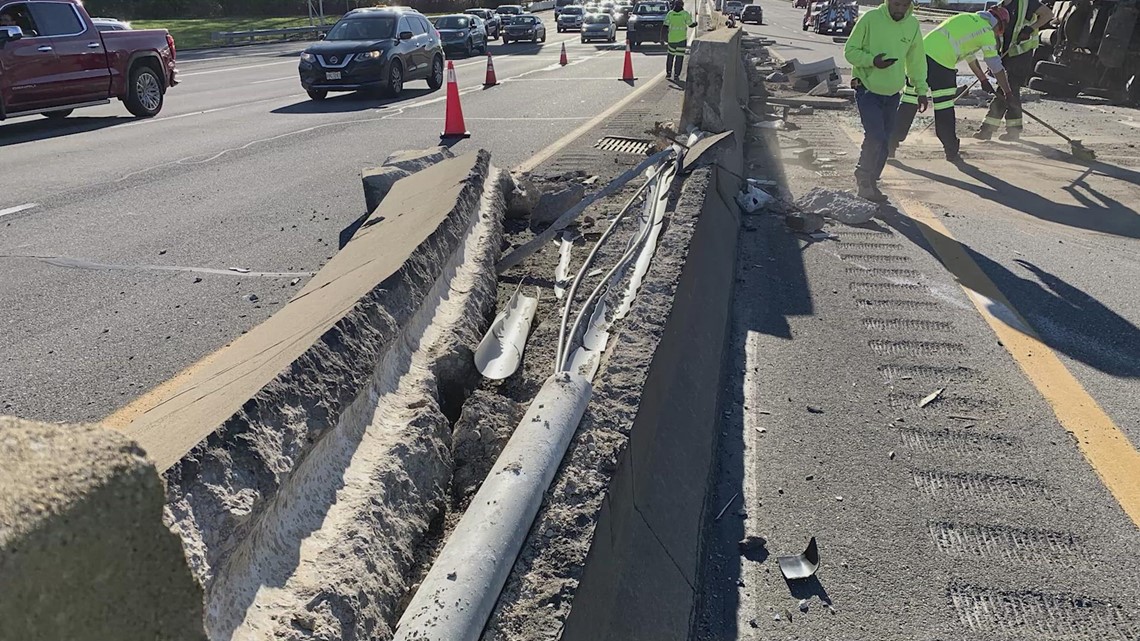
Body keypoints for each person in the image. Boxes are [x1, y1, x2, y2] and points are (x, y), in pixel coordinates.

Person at [890, 6, 1015, 163]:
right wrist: (1008, 92)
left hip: (918, 58)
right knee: (944, 108)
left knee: (909, 102)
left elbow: (970, 57)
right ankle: (950, 149)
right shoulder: (987, 32)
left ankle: (890, 144)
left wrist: (983, 79)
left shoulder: (965, 18)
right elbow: (995, 66)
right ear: (1000, 25)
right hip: (941, 66)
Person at [843, 0, 928, 202]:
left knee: (885, 141)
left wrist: (921, 90)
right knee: (875, 136)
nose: (900, 10)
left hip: (892, 94)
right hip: (867, 89)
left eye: (904, 6)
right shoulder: (870, 19)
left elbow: (916, 60)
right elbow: (850, 51)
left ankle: (872, 182)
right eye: (896, 5)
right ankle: (863, 177)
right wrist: (873, 61)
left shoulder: (912, 24)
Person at [974, 0, 1053, 140]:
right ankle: (1005, 130)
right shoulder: (1000, 6)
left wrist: (1030, 28)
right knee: (1008, 90)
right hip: (1006, 54)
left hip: (1021, 53)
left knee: (1009, 89)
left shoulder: (1026, 3)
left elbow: (1048, 14)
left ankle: (993, 129)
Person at [664, 1, 696, 81]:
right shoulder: (685, 14)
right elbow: (691, 25)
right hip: (682, 40)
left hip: (671, 40)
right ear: (682, 5)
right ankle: (676, 75)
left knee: (670, 57)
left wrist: (662, 38)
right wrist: (695, 23)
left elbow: (665, 26)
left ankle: (668, 73)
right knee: (679, 58)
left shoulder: (670, 14)